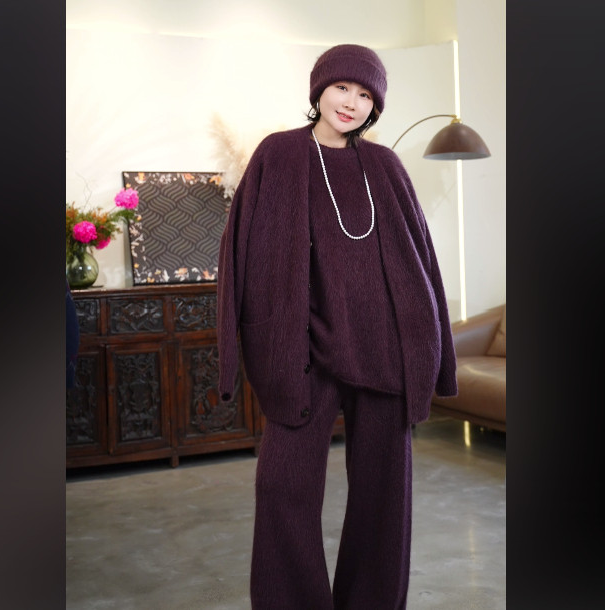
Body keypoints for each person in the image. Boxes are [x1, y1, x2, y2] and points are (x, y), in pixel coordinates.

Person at [217, 43, 458, 610]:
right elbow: (238, 252)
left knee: (383, 502)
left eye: (365, 95)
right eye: (342, 87)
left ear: (375, 107)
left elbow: (422, 260)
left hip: (385, 354)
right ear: (319, 90)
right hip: (303, 355)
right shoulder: (277, 154)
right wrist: (232, 351)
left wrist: (436, 357)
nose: (351, 102)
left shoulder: (386, 166)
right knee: (282, 489)